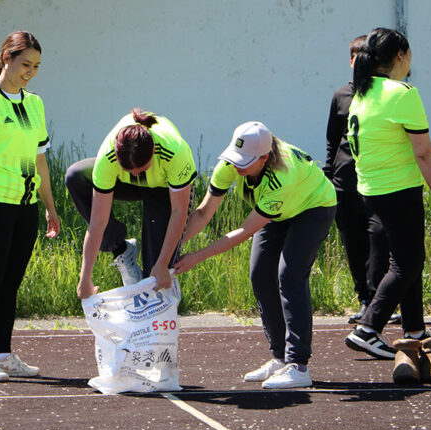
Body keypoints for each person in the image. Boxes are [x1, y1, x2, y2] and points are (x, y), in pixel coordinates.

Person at [175, 122, 336, 389]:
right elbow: (203, 213)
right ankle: (280, 358)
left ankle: (298, 365)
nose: (237, 166)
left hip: (313, 207)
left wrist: (196, 257)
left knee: (290, 275)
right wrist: (173, 247)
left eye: (246, 162)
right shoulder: (229, 165)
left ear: (264, 158)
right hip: (279, 211)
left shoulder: (281, 177)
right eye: (236, 158)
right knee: (260, 274)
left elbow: (244, 230)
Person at [342, 28, 431, 360]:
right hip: (398, 189)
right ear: (401, 56)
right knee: (408, 262)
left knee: (406, 259)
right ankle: (368, 328)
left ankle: (415, 331)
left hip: (371, 189)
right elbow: (423, 152)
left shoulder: (362, 92)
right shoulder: (402, 93)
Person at [0, 31, 60, 382]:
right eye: (25, 64)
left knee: (11, 282)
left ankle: (3, 354)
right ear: (7, 58)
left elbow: (37, 160)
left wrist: (49, 207)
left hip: (25, 204)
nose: (30, 72)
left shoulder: (35, 103)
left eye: (36, 67)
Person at [65, 108, 196, 299]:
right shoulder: (107, 157)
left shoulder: (175, 152)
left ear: (153, 151)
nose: (136, 174)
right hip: (127, 185)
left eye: (141, 169)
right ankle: (122, 250)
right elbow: (97, 222)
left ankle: (165, 295)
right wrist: (85, 278)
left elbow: (179, 211)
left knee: (155, 277)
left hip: (163, 188)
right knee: (76, 176)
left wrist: (162, 264)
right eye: (129, 169)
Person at [324, 35, 396, 324]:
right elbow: (332, 138)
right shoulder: (341, 95)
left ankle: (382, 300)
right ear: (351, 61)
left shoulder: (385, 95)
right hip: (345, 180)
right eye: (355, 56)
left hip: (378, 180)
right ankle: (364, 299)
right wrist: (329, 174)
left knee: (379, 239)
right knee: (352, 242)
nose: (359, 61)